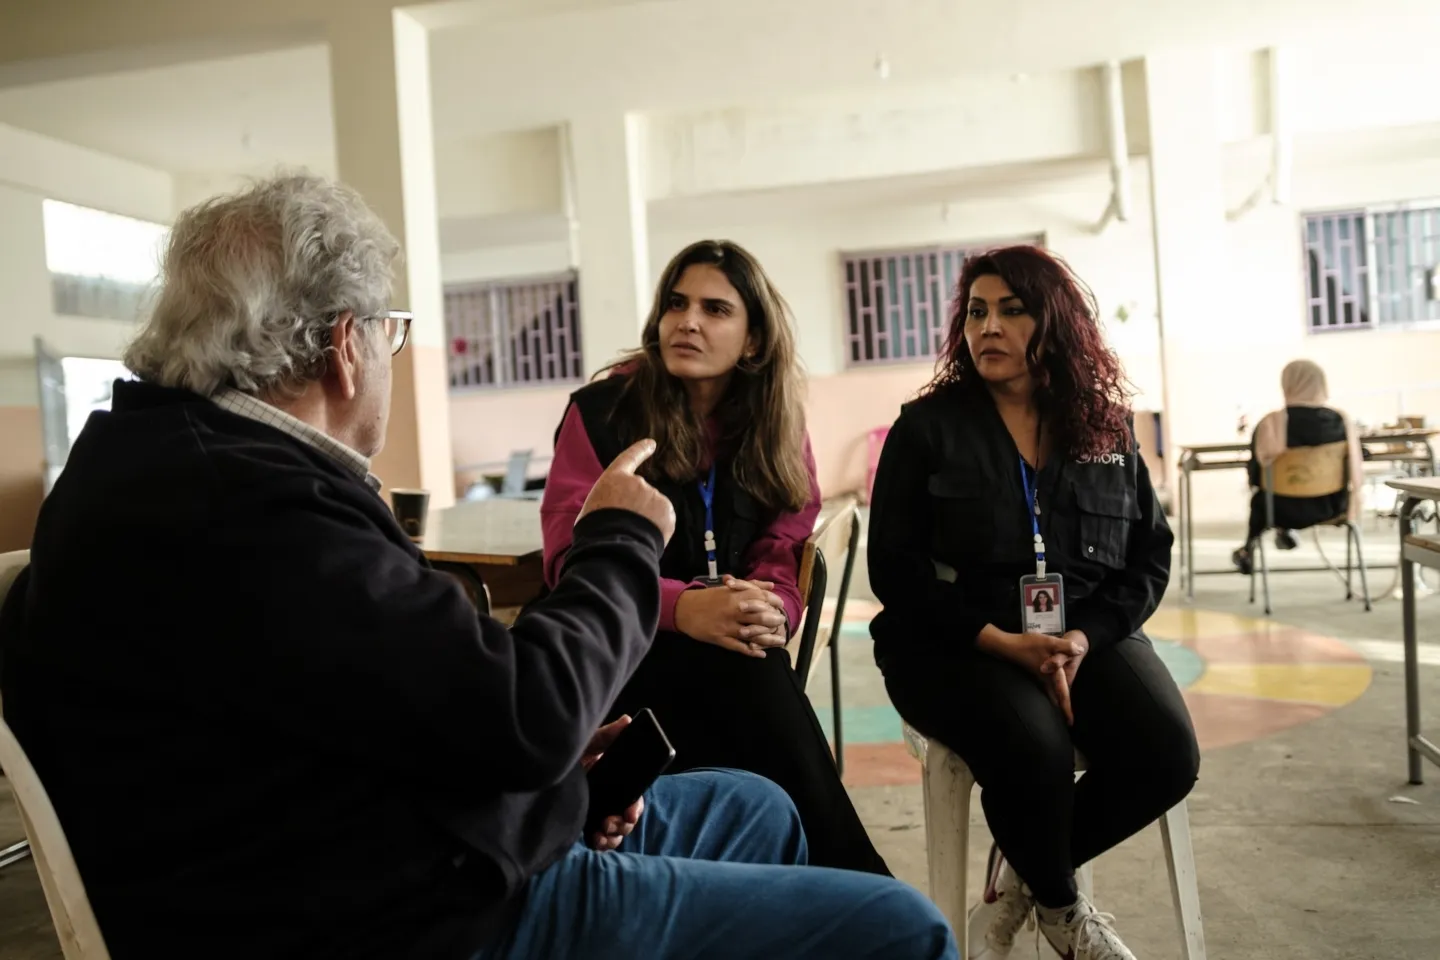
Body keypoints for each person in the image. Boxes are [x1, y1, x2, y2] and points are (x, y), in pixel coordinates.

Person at [0, 175, 954, 960]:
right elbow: (523, 716)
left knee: (757, 801)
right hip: (409, 912)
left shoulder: (151, 464)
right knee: (903, 931)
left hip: (368, 840)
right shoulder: (262, 509)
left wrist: (543, 782)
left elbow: (339, 704)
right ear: (346, 346)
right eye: (392, 332)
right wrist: (617, 536)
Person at [867, 245, 1200, 960]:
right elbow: (893, 572)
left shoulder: (1106, 428)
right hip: (953, 641)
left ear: (1055, 323)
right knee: (1034, 747)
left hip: (1082, 634)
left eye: (1012, 311)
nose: (989, 327)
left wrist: (1085, 638)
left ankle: (1023, 873)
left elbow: (1149, 556)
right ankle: (1064, 910)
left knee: (1168, 754)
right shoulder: (926, 429)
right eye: (978, 312)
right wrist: (998, 640)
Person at [539, 240, 889, 876]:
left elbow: (786, 540)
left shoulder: (773, 417)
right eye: (677, 304)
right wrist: (684, 609)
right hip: (622, 647)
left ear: (753, 341)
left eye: (714, 308)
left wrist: (773, 605)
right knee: (752, 683)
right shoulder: (602, 412)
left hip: (724, 648)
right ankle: (859, 887)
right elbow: (569, 557)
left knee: (749, 665)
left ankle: (831, 892)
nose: (688, 321)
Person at [1231, 359, 1364, 574]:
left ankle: (1250, 548)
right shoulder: (1340, 421)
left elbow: (1256, 475)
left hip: (1280, 511)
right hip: (1331, 507)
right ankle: (1282, 535)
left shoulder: (1271, 423)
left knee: (1261, 498)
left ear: (1287, 384)